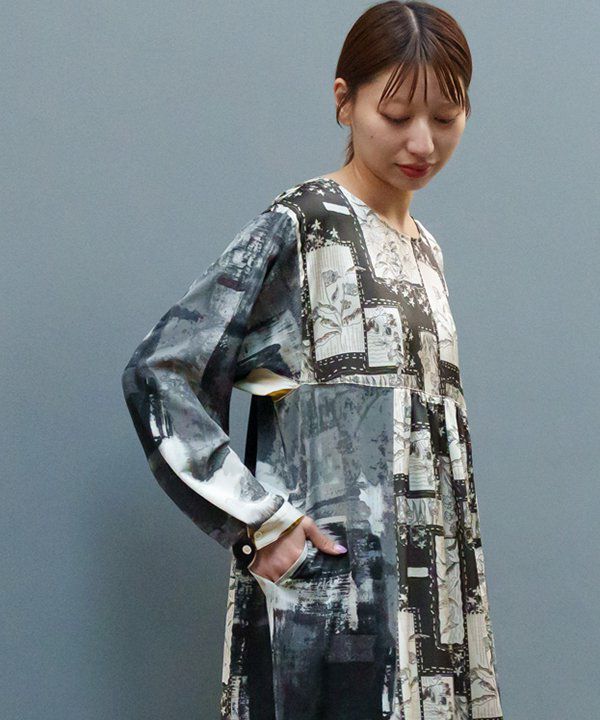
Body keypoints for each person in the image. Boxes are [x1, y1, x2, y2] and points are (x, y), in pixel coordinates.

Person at [121, 1, 505, 718]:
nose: (422, 142)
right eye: (397, 116)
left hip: (432, 604)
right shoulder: (303, 225)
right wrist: (258, 525)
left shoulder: (427, 250)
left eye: (446, 117)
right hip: (333, 613)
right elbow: (160, 372)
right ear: (344, 101)